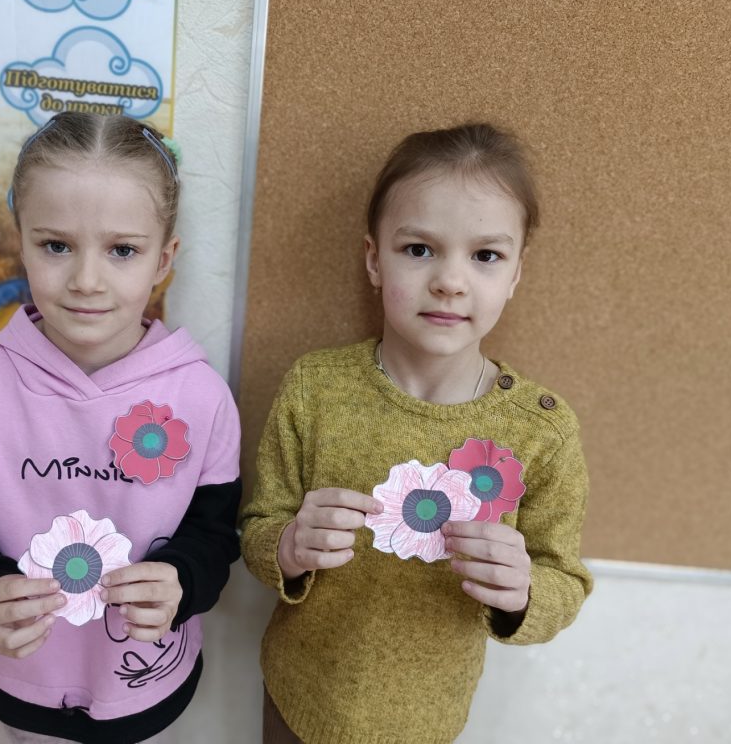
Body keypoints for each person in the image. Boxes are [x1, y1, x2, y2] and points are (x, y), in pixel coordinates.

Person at [240, 123, 593, 744]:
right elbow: (258, 525)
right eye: (419, 249)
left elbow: (564, 578)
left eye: (485, 256)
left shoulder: (543, 431)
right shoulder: (315, 388)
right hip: (296, 697)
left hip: (426, 722)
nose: (450, 281)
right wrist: (287, 547)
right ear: (374, 259)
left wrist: (525, 592)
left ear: (516, 273)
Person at [0, 113, 242, 744]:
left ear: (164, 259)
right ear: (20, 243)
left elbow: (215, 533)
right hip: (20, 691)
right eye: (56, 246)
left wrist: (183, 579)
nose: (86, 280)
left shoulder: (202, 397)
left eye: (122, 250)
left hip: (149, 691)